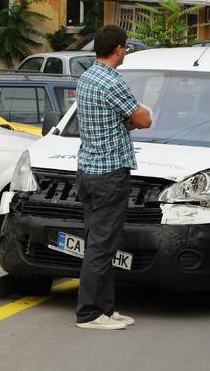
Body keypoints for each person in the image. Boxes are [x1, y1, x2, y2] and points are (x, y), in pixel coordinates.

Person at [75, 25, 152, 330]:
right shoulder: (112, 80)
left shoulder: (86, 78)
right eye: (125, 49)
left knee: (98, 242)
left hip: (88, 172)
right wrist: (131, 121)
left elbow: (113, 118)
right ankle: (90, 314)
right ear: (119, 49)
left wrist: (124, 121)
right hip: (110, 174)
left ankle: (106, 308)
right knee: (102, 247)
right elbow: (143, 118)